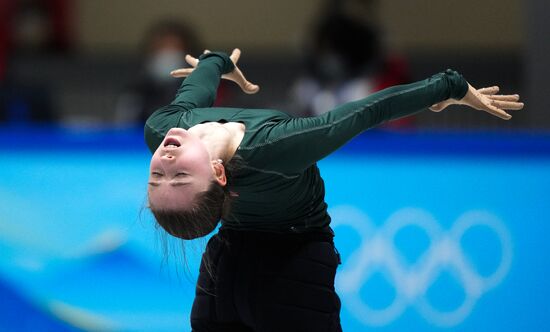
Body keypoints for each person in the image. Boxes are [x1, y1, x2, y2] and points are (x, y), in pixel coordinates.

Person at [144, 49, 523, 331]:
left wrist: (219, 62)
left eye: (157, 177)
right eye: (179, 177)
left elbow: (197, 85)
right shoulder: (279, 148)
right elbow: (367, 112)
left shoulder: (163, 129)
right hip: (259, 259)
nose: (166, 163)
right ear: (217, 174)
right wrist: (450, 86)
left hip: (267, 256)